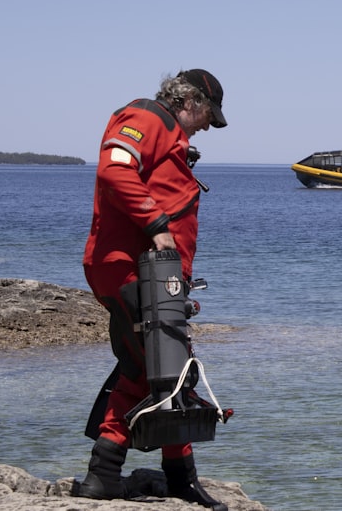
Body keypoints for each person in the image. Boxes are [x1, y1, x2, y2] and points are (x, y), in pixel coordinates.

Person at [79, 69, 228, 510]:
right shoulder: (147, 117)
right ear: (193, 101)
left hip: (149, 273)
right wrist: (158, 227)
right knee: (167, 370)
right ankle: (177, 481)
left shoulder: (167, 134)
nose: (206, 125)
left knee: (149, 368)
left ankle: (106, 475)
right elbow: (115, 169)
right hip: (133, 269)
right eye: (207, 116)